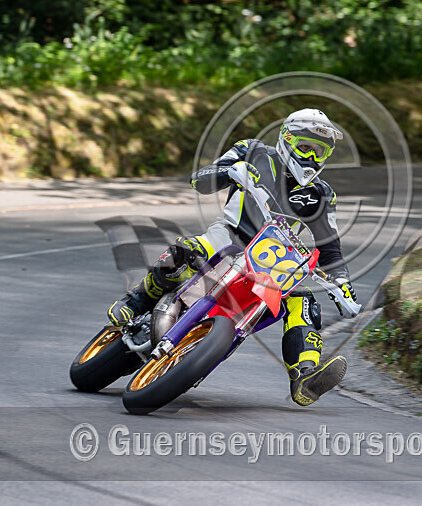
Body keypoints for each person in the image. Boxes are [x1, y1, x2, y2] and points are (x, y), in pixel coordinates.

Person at [107, 109, 357, 406]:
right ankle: (136, 300)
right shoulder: (252, 151)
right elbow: (200, 180)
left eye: (320, 151)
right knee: (186, 251)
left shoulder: (321, 193)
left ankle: (305, 376)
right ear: (287, 139)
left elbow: (329, 246)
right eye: (305, 147)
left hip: (273, 259)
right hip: (229, 235)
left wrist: (341, 283)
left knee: (302, 298)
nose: (312, 157)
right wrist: (230, 171)